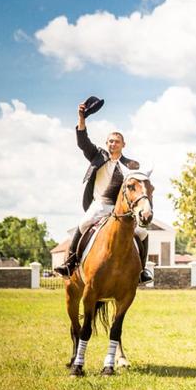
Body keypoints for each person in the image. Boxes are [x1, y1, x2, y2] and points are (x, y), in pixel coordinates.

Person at [55, 101, 153, 283]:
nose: (113, 144)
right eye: (110, 141)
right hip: (100, 205)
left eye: (116, 141)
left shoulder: (132, 165)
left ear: (123, 144)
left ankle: (143, 270)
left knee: (143, 233)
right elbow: (83, 142)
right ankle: (70, 263)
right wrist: (81, 119)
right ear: (106, 144)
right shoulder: (97, 155)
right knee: (84, 223)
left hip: (122, 210)